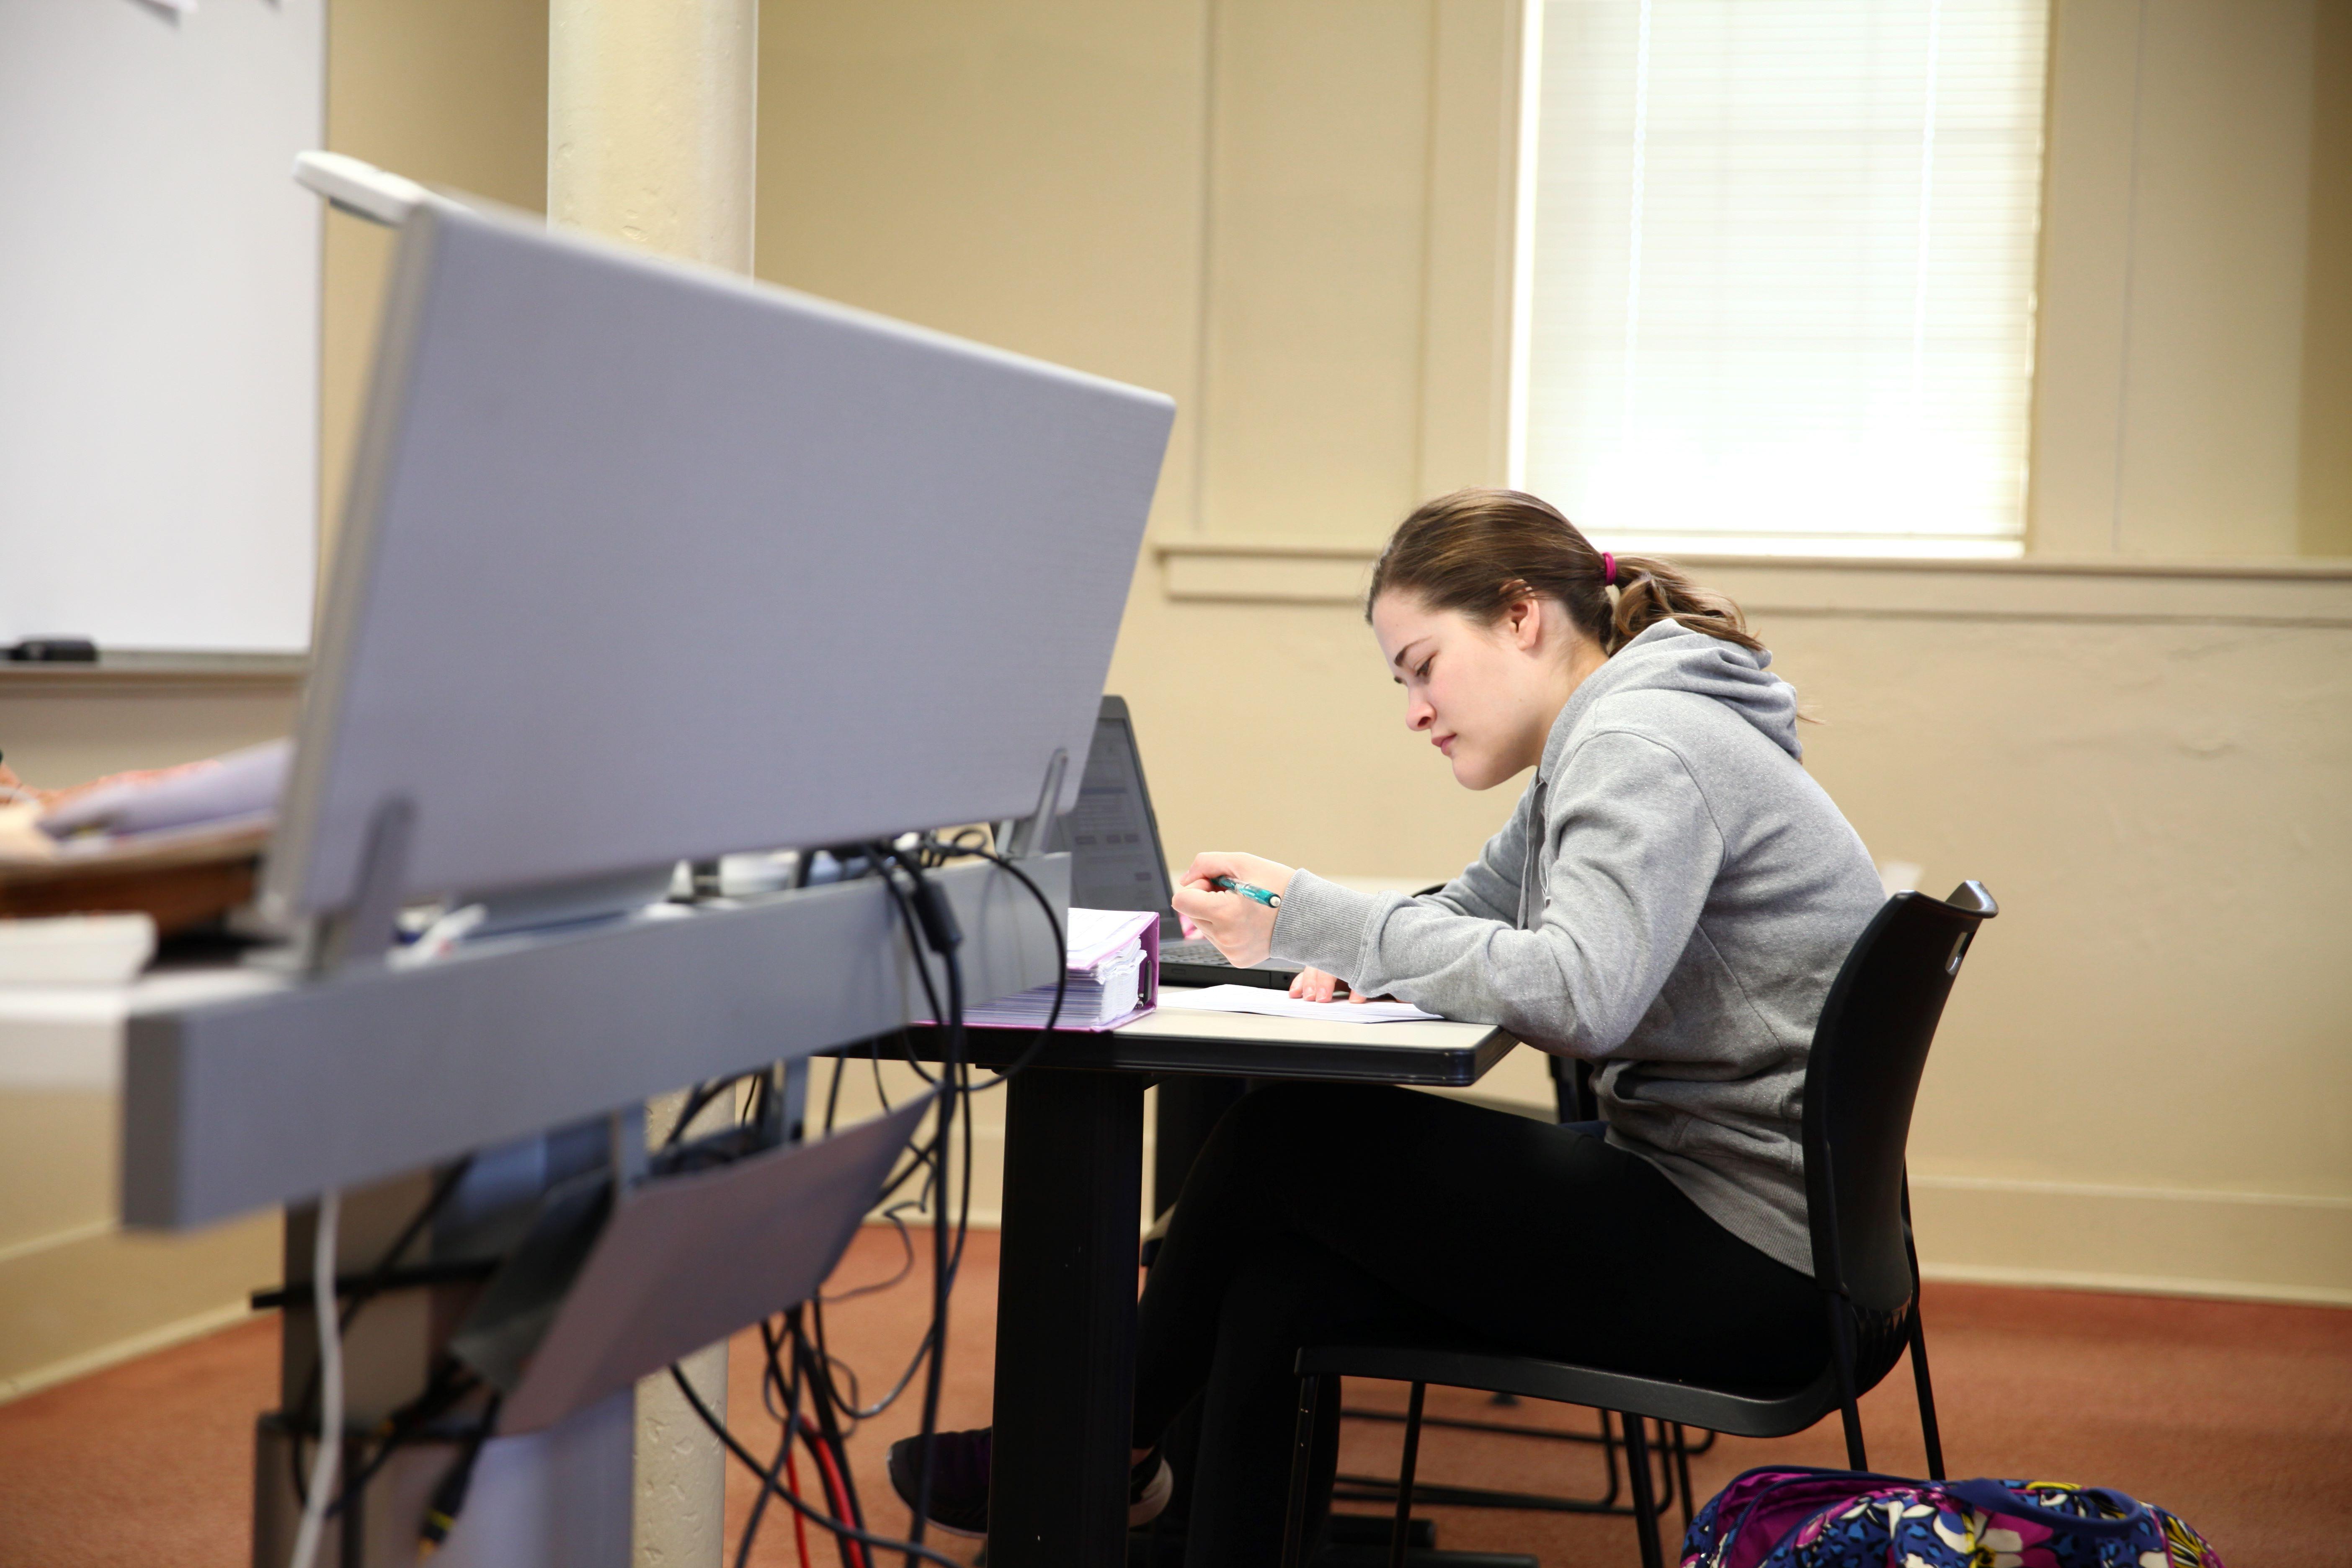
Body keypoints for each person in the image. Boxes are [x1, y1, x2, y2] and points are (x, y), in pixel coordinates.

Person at [890, 487, 1889, 1562]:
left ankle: (1091, 1454)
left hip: (1755, 1266)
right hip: (1770, 1228)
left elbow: (1580, 995)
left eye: (1421, 665)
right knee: (1282, 1283)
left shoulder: (1641, 742)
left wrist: (1312, 916)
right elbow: (1468, 907)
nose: (1414, 707)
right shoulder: (1621, 725)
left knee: (1287, 1139)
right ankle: (1125, 1473)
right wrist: (1356, 946)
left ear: (1520, 616)